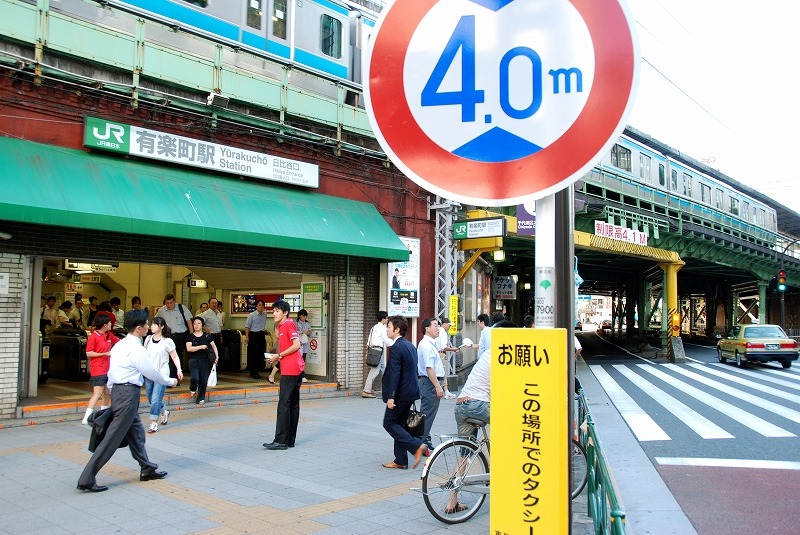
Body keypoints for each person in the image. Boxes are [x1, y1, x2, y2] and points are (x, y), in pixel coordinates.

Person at [77, 309, 178, 493]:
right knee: (112, 438)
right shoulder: (136, 349)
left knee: (136, 432)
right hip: (128, 394)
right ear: (139, 328)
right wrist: (169, 380)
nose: (148, 327)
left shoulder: (120, 345)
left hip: (119, 391)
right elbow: (150, 372)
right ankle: (87, 478)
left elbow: (112, 371)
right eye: (146, 324)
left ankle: (146, 467)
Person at [447, 319, 516, 514]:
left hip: (461, 406)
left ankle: (452, 500)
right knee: (515, 429)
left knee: (464, 453)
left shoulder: (487, 354)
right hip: (478, 405)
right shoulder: (504, 355)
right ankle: (506, 481)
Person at [381, 315, 427, 469]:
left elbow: (395, 374)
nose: (387, 329)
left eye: (389, 326)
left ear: (397, 329)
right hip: (411, 391)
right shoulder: (409, 345)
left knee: (389, 423)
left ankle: (416, 447)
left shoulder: (396, 348)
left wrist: (391, 396)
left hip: (400, 394)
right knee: (399, 424)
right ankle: (400, 460)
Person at [263, 300, 303, 450]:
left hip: (291, 369)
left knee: (283, 405)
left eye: (277, 311)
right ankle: (289, 440)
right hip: (293, 368)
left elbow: (297, 345)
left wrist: (278, 356)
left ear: (285, 312)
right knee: (292, 405)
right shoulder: (282, 326)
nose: (274, 313)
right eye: (273, 311)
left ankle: (280, 440)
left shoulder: (288, 324)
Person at [144, 317, 183, 433]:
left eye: (155, 325)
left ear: (161, 327)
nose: (152, 326)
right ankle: (164, 412)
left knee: (156, 398)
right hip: (149, 373)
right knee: (151, 398)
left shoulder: (167, 341)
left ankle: (153, 422)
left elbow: (175, 356)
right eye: (152, 324)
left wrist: (179, 370)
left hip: (162, 374)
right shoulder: (148, 339)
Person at [82, 313, 120, 425]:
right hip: (98, 369)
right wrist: (105, 354)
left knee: (107, 393)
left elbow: (119, 342)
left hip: (108, 369)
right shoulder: (94, 337)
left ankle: (103, 414)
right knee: (97, 393)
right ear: (104, 324)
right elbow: (89, 353)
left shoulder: (109, 335)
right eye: (109, 323)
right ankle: (87, 417)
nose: (111, 324)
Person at [417, 317, 444, 451]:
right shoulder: (426, 345)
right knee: (427, 415)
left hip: (428, 382)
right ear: (427, 328)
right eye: (434, 325)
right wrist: (437, 386)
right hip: (429, 383)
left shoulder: (430, 343)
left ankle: (424, 440)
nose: (437, 328)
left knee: (426, 414)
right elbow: (429, 368)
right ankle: (419, 444)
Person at [156, 294, 193, 379]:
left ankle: (177, 376)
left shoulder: (181, 308)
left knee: (178, 355)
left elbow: (189, 321)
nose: (169, 305)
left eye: (171, 303)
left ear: (174, 302)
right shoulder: (161, 311)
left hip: (180, 336)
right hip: (168, 336)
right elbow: (156, 322)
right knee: (169, 356)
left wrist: (191, 335)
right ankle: (171, 377)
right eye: (167, 303)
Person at [185, 316, 218, 405]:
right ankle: (192, 388)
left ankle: (201, 398)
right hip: (193, 360)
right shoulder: (190, 336)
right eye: (194, 323)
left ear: (202, 325)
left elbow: (214, 347)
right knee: (194, 378)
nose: (196, 325)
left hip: (205, 360)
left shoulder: (207, 336)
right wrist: (201, 347)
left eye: (198, 323)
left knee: (203, 380)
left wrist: (216, 357)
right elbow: (189, 348)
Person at [362, 311, 392, 398]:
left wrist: (367, 352)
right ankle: (366, 390)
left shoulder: (374, 327)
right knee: (374, 371)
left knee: (384, 369)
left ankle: (388, 389)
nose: (387, 320)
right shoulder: (382, 328)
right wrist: (393, 345)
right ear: (383, 319)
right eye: (386, 318)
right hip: (377, 351)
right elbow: (387, 340)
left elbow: (368, 341)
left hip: (373, 350)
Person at [436, 317, 459, 400]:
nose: (449, 327)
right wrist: (453, 349)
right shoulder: (443, 333)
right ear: (445, 324)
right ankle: (445, 391)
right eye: (449, 325)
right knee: (442, 373)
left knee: (440, 373)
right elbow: (444, 347)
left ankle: (446, 391)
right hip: (441, 354)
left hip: (437, 353)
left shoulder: (437, 330)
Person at [245, 300, 268, 379]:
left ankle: (255, 371)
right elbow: (247, 327)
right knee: (254, 354)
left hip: (261, 335)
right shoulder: (252, 315)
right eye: (259, 305)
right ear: (256, 306)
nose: (261, 307)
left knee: (260, 353)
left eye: (262, 305)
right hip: (253, 335)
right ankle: (254, 372)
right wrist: (247, 337)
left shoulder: (265, 314)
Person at [296, 309, 311, 383]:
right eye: (303, 316)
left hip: (305, 344)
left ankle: (301, 375)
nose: (304, 317)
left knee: (303, 360)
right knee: (299, 360)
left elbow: (310, 332)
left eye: (305, 316)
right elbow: (295, 332)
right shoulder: (296, 323)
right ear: (299, 316)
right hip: (298, 344)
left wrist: (307, 332)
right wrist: (302, 332)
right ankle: (302, 375)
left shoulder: (307, 324)